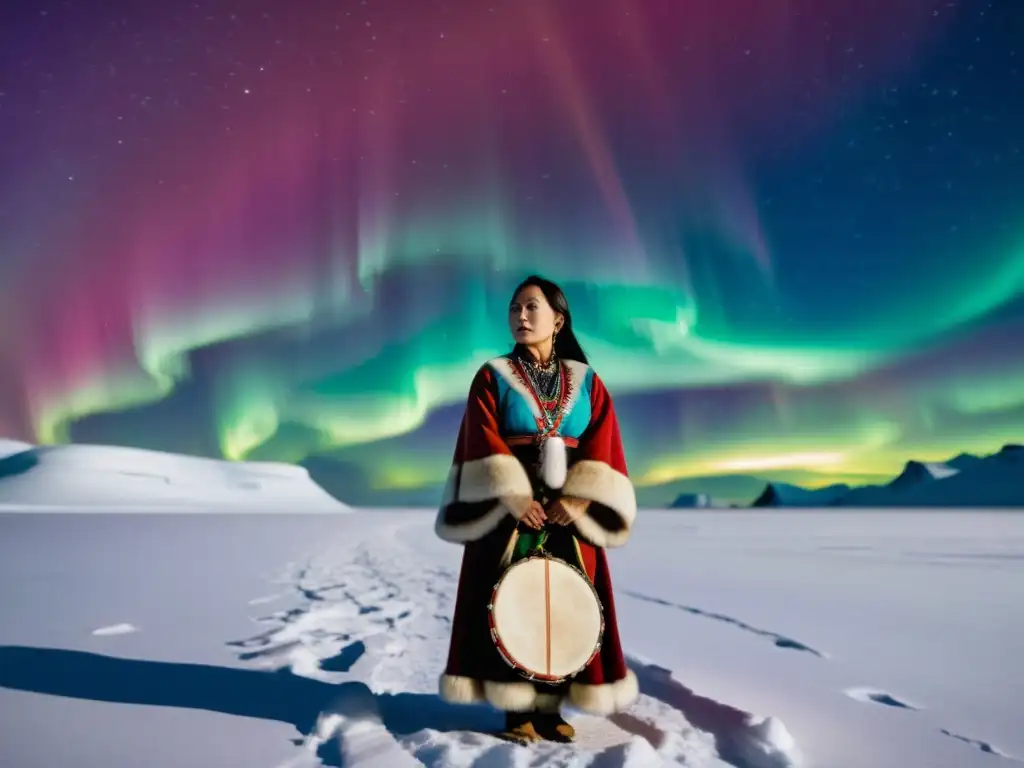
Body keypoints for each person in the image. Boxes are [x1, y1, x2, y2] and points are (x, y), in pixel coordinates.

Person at [435, 274, 639, 745]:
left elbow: (603, 441)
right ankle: (515, 708)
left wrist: (580, 497)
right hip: (513, 507)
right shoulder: (493, 375)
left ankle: (550, 707)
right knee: (512, 599)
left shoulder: (588, 381)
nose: (520, 317)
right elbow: (479, 437)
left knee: (567, 602)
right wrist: (514, 496)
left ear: (558, 319)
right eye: (514, 309)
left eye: (531, 308)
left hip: (570, 507)